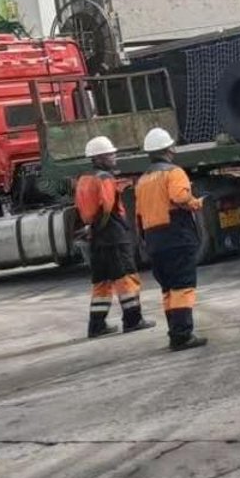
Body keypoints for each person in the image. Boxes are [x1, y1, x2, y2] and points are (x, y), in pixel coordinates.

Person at [134, 126, 206, 351]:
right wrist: (196, 203)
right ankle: (182, 335)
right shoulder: (174, 172)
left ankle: (175, 333)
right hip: (176, 236)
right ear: (169, 150)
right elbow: (180, 197)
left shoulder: (142, 180)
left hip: (154, 240)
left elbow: (138, 215)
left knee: (168, 289)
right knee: (182, 286)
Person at [75, 135, 151, 339]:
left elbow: (82, 209)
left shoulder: (83, 179)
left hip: (97, 239)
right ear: (99, 158)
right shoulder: (105, 179)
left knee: (102, 282)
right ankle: (133, 320)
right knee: (126, 277)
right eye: (110, 155)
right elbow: (107, 207)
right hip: (113, 236)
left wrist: (91, 229)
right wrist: (100, 227)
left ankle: (97, 325)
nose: (114, 157)